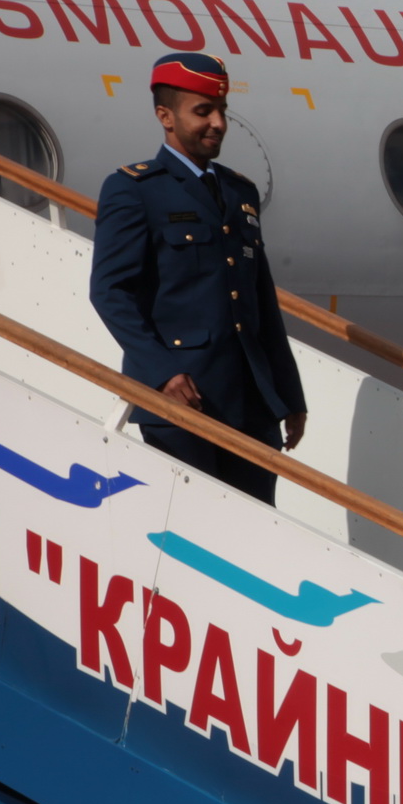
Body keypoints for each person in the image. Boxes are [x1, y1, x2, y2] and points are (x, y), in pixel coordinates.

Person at [89, 51, 306, 504]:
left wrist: (288, 395)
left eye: (222, 110)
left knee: (254, 529)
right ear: (165, 117)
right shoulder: (134, 189)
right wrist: (163, 373)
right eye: (203, 111)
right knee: (190, 530)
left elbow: (260, 301)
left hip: (251, 405)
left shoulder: (240, 191)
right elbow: (109, 292)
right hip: (181, 403)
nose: (218, 123)